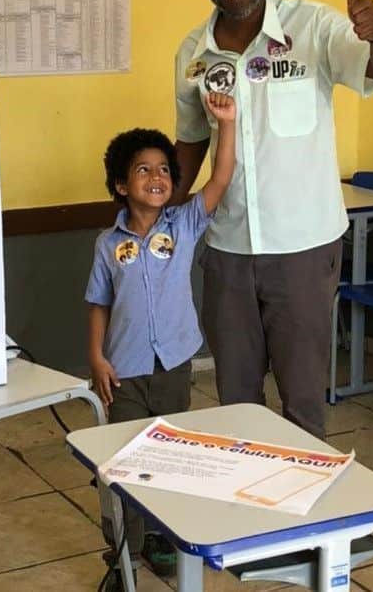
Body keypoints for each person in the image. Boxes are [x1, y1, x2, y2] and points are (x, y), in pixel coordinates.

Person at [172, 0, 373, 441]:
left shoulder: (315, 27)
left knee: (302, 400)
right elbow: (191, 140)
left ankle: (308, 518)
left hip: (303, 247)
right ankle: (245, 512)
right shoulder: (193, 52)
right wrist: (158, 217)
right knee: (235, 402)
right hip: (227, 247)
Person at [84, 92, 236, 588]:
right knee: (123, 462)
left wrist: (225, 125)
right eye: (144, 170)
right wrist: (96, 358)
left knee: (167, 456)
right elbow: (99, 303)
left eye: (164, 170)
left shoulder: (185, 224)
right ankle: (121, 553)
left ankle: (160, 540)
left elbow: (220, 177)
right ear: (121, 184)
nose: (157, 178)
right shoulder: (108, 245)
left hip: (173, 364)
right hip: (124, 370)